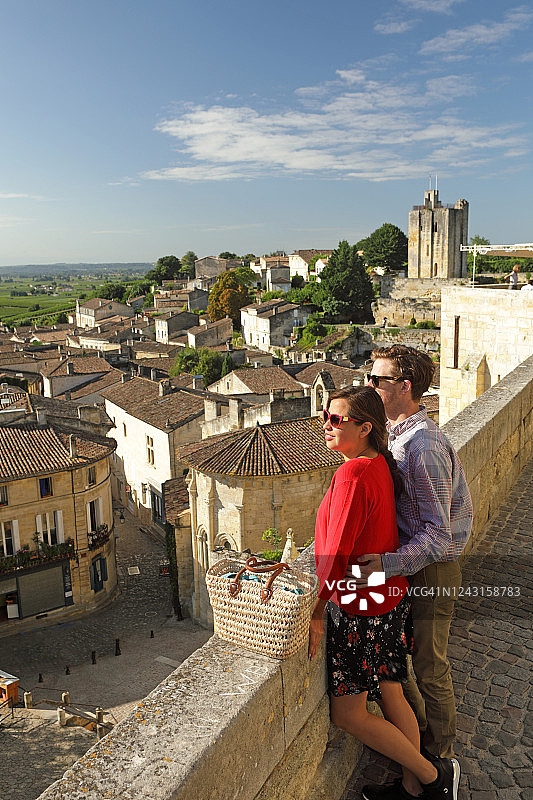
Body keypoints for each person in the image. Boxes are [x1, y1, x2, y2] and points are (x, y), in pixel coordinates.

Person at [309, 386, 460, 800]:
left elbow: (335, 551)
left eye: (336, 419)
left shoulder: (353, 473)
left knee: (348, 715)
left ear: (364, 428)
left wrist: (317, 611)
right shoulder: (379, 464)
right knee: (392, 690)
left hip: (360, 607)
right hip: (388, 599)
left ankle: (432, 777)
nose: (326, 424)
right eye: (326, 415)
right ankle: (415, 787)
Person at [355, 345, 472, 773]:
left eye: (378, 380)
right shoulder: (401, 437)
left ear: (405, 387)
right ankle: (417, 749)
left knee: (429, 666)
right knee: (403, 663)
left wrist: (383, 565)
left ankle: (440, 761)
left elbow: (439, 537)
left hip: (432, 571)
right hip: (410, 566)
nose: (370, 385)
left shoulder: (423, 447)